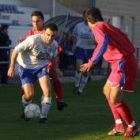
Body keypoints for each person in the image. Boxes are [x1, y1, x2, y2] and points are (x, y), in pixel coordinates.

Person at [80, 7, 139, 138]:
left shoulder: (97, 27)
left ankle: (132, 126)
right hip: (119, 63)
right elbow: (116, 40)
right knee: (107, 91)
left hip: (123, 64)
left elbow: (103, 43)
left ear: (89, 20)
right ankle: (119, 125)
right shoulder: (106, 25)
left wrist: (91, 62)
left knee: (115, 98)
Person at [8, 23, 58, 123]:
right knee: (29, 95)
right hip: (25, 67)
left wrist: (54, 71)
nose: (50, 38)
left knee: (47, 91)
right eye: (48, 34)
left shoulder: (54, 44)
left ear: (56, 34)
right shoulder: (33, 40)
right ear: (44, 32)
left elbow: (53, 58)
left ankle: (43, 117)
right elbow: (15, 50)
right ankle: (26, 110)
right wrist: (12, 66)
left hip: (41, 68)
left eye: (53, 36)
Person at [18, 11, 67, 111]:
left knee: (53, 76)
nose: (35, 24)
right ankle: (27, 106)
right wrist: (21, 41)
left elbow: (57, 49)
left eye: (38, 21)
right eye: (33, 21)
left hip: (47, 61)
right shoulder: (30, 32)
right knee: (28, 86)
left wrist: (55, 66)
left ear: (43, 21)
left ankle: (59, 100)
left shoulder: (49, 31)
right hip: (32, 63)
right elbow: (24, 45)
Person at [72, 11, 96, 95]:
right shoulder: (78, 26)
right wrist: (74, 44)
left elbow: (99, 39)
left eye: (88, 17)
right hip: (80, 48)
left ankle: (80, 90)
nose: (86, 18)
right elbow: (74, 36)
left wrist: (94, 42)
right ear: (83, 17)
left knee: (86, 71)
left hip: (91, 50)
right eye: (85, 16)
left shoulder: (94, 27)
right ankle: (76, 85)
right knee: (79, 67)